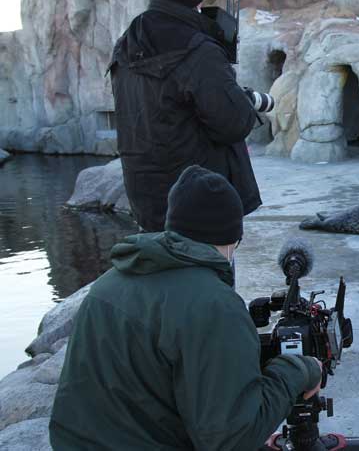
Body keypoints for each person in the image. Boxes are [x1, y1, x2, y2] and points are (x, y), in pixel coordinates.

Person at [50, 165, 322, 449]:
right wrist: (299, 371)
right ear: (232, 238)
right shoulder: (214, 304)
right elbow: (232, 439)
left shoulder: (109, 282)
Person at [110, 0, 264, 232]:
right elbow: (234, 123)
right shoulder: (197, 49)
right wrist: (239, 95)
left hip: (148, 202)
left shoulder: (126, 45)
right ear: (195, 1)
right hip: (200, 203)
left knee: (167, 261)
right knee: (212, 262)